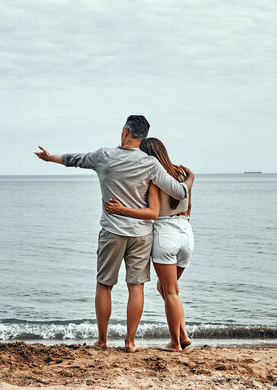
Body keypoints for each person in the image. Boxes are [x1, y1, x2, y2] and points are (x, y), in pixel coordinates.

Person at [34, 115, 194, 351]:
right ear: (143, 136)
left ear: (125, 131)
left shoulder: (104, 156)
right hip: (141, 235)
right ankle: (130, 342)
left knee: (104, 285)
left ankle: (102, 340)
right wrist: (189, 179)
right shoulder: (150, 164)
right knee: (136, 287)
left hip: (112, 232)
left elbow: (73, 159)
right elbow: (180, 192)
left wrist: (49, 158)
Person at [104, 137, 193, 352]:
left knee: (169, 291)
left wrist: (122, 209)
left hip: (165, 233)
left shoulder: (154, 178)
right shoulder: (181, 175)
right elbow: (188, 206)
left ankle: (175, 344)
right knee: (168, 289)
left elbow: (151, 212)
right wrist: (191, 179)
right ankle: (183, 334)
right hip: (186, 232)